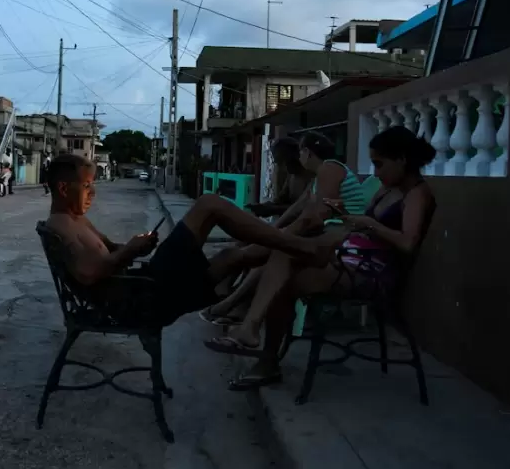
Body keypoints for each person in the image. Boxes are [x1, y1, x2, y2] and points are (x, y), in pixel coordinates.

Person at [205, 126, 437, 390]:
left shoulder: (417, 194)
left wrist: (368, 224)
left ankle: (259, 346)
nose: (376, 172)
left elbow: (407, 243)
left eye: (380, 164)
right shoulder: (387, 190)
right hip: (348, 255)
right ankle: (250, 329)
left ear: (402, 160)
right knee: (283, 253)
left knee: (282, 276)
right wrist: (350, 218)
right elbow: (314, 210)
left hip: (370, 272)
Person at [44, 154, 334, 327]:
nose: (92, 192)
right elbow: (89, 273)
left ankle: (300, 246)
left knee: (232, 257)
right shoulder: (61, 226)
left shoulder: (76, 220)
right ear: (62, 187)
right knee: (209, 205)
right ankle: (305, 245)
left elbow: (111, 253)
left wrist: (135, 247)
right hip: (142, 298)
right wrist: (130, 251)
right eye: (86, 186)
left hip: (145, 289)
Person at [201, 132, 366, 323]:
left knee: (267, 252)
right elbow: (299, 207)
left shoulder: (329, 168)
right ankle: (229, 299)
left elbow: (316, 216)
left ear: (306, 152)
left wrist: (279, 234)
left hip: (337, 240)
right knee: (258, 245)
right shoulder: (317, 176)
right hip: (325, 236)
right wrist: (274, 230)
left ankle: (231, 301)